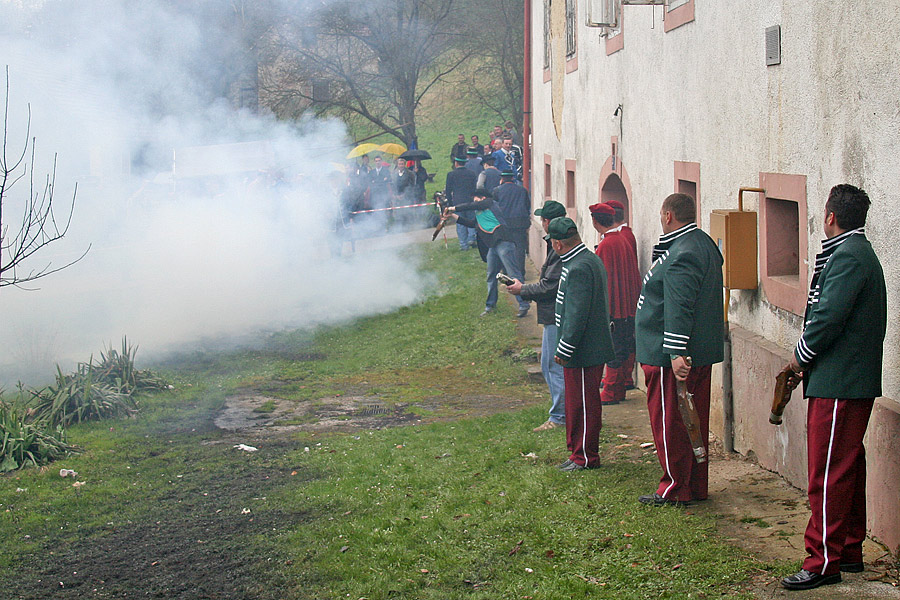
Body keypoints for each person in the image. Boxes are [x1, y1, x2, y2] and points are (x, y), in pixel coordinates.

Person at [779, 184, 886, 592]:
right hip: (845, 379)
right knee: (847, 468)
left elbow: (826, 319)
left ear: (829, 218)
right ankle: (849, 549)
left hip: (841, 380)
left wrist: (799, 358)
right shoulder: (853, 253)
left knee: (827, 473)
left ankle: (822, 560)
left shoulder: (848, 257)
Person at [635, 193, 723, 506]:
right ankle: (695, 485)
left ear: (669, 216)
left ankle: (674, 487)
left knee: (672, 423)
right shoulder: (702, 243)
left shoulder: (682, 251)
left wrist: (675, 351)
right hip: (696, 350)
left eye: (661, 215)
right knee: (692, 422)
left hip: (671, 354)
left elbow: (679, 305)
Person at [547, 217, 615, 471]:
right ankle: (577, 452)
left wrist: (564, 347)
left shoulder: (578, 267)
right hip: (584, 348)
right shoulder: (584, 259)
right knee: (577, 403)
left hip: (584, 350)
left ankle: (585, 456)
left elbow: (577, 314)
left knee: (584, 405)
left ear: (557, 244)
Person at [505, 201, 567, 431]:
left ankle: (560, 416)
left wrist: (523, 290)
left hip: (555, 316)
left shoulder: (559, 248)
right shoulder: (557, 245)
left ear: (548, 222)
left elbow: (550, 287)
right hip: (552, 314)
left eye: (543, 220)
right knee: (547, 364)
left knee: (554, 367)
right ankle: (560, 412)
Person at [589, 202, 641, 406]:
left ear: (595, 221)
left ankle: (611, 390)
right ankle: (617, 387)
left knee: (614, 348)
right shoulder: (620, 238)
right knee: (623, 345)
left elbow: (604, 279)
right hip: (626, 305)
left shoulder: (607, 244)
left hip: (616, 308)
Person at [444, 190, 521, 317]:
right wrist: (452, 215)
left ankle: (523, 304)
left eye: (475, 199)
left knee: (513, 274)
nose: (474, 202)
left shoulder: (489, 203)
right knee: (491, 276)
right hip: (493, 246)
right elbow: (470, 223)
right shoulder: (480, 213)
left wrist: (453, 207)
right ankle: (490, 305)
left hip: (503, 242)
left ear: (483, 198)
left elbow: (471, 206)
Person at [605, 199, 638, 389]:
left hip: (622, 298)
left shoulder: (620, 237)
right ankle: (623, 379)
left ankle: (617, 383)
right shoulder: (625, 235)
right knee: (625, 340)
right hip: (626, 296)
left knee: (619, 342)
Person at [492, 168, 531, 317]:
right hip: (520, 223)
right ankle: (521, 273)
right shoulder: (522, 190)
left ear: (502, 178)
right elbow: (527, 206)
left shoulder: (497, 191)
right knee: (520, 249)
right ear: (513, 179)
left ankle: (508, 272)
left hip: (505, 225)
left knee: (508, 251)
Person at [443, 156, 478, 250]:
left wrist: (450, 204)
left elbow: (448, 190)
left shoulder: (451, 174)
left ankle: (463, 244)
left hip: (457, 202)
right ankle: (471, 238)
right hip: (470, 201)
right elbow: (475, 188)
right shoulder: (471, 173)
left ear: (456, 163)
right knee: (471, 221)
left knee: (460, 223)